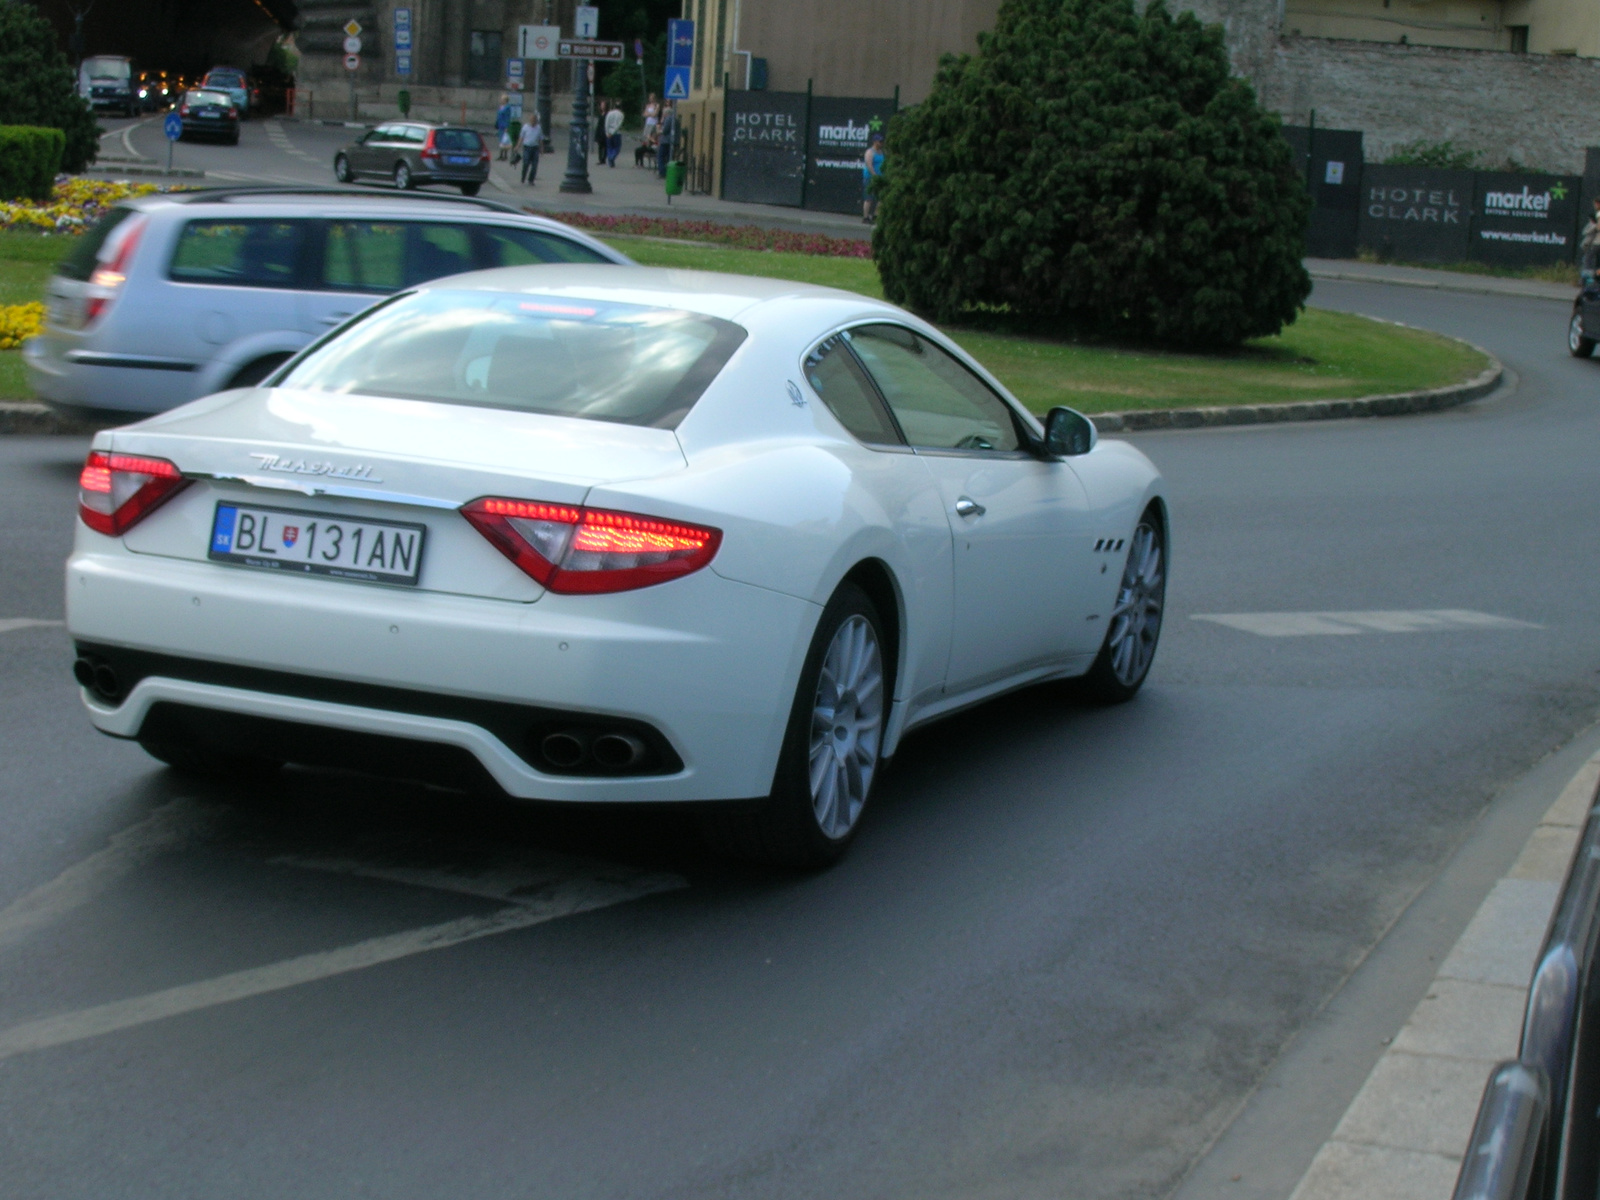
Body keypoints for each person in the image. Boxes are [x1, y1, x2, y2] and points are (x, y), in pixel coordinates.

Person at [862, 135, 885, 223]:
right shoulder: (870, 152)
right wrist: (874, 175)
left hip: (880, 178)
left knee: (881, 198)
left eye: (882, 142)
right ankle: (865, 217)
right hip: (870, 178)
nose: (881, 143)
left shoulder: (882, 152)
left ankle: (876, 215)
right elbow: (869, 164)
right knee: (869, 198)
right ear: (875, 142)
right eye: (880, 142)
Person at [518, 110, 541, 185]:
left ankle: (531, 180)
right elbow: (521, 137)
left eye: (534, 121)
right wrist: (518, 146)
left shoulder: (538, 128)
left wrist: (542, 149)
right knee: (526, 163)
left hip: (535, 148)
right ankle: (523, 177)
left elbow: (541, 139)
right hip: (527, 147)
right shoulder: (525, 127)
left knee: (534, 165)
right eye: (532, 120)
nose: (533, 122)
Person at [657, 101, 676, 179]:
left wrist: (659, 131)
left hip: (666, 141)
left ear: (667, 113)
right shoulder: (673, 118)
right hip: (669, 141)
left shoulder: (668, 119)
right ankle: (666, 172)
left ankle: (662, 172)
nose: (663, 115)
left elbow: (665, 131)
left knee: (660, 157)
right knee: (668, 157)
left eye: (664, 113)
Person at [494, 94, 514, 161]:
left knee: (505, 141)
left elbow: (507, 118)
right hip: (500, 125)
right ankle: (501, 155)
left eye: (502, 99)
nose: (501, 100)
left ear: (505, 100)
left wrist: (507, 127)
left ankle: (505, 155)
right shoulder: (501, 107)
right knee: (501, 141)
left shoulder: (508, 107)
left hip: (504, 126)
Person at [604, 101, 624, 167]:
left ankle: (610, 157)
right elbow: (619, 125)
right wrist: (613, 132)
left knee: (609, 147)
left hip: (609, 132)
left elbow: (606, 123)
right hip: (617, 133)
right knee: (617, 147)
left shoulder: (609, 113)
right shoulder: (621, 115)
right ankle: (612, 157)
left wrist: (607, 132)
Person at [595, 100, 609, 165]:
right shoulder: (600, 114)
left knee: (605, 146)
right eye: (601, 105)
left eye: (603, 105)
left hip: (605, 131)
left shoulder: (607, 114)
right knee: (600, 146)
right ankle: (600, 159)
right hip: (600, 131)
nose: (602, 106)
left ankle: (603, 159)